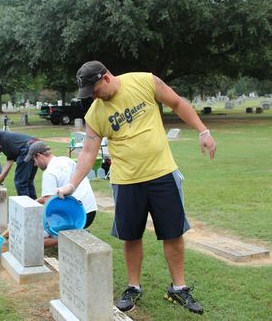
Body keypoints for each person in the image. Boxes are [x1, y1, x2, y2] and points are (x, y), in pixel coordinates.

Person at [58, 61, 216, 315]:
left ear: (106, 77)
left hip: (162, 172)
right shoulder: (95, 113)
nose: (93, 96)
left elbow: (176, 102)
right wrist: (71, 183)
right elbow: (88, 153)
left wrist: (203, 131)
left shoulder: (144, 81)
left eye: (95, 89)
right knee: (131, 235)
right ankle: (133, 286)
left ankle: (179, 287)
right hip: (126, 180)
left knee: (173, 232)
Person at [26, 141, 97, 248]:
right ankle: (75, 233)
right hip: (90, 212)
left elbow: (48, 206)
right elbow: (54, 195)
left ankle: (72, 236)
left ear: (39, 156)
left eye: (33, 160)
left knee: (33, 239)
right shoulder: (66, 159)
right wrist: (35, 201)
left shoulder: (49, 173)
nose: (35, 164)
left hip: (77, 218)